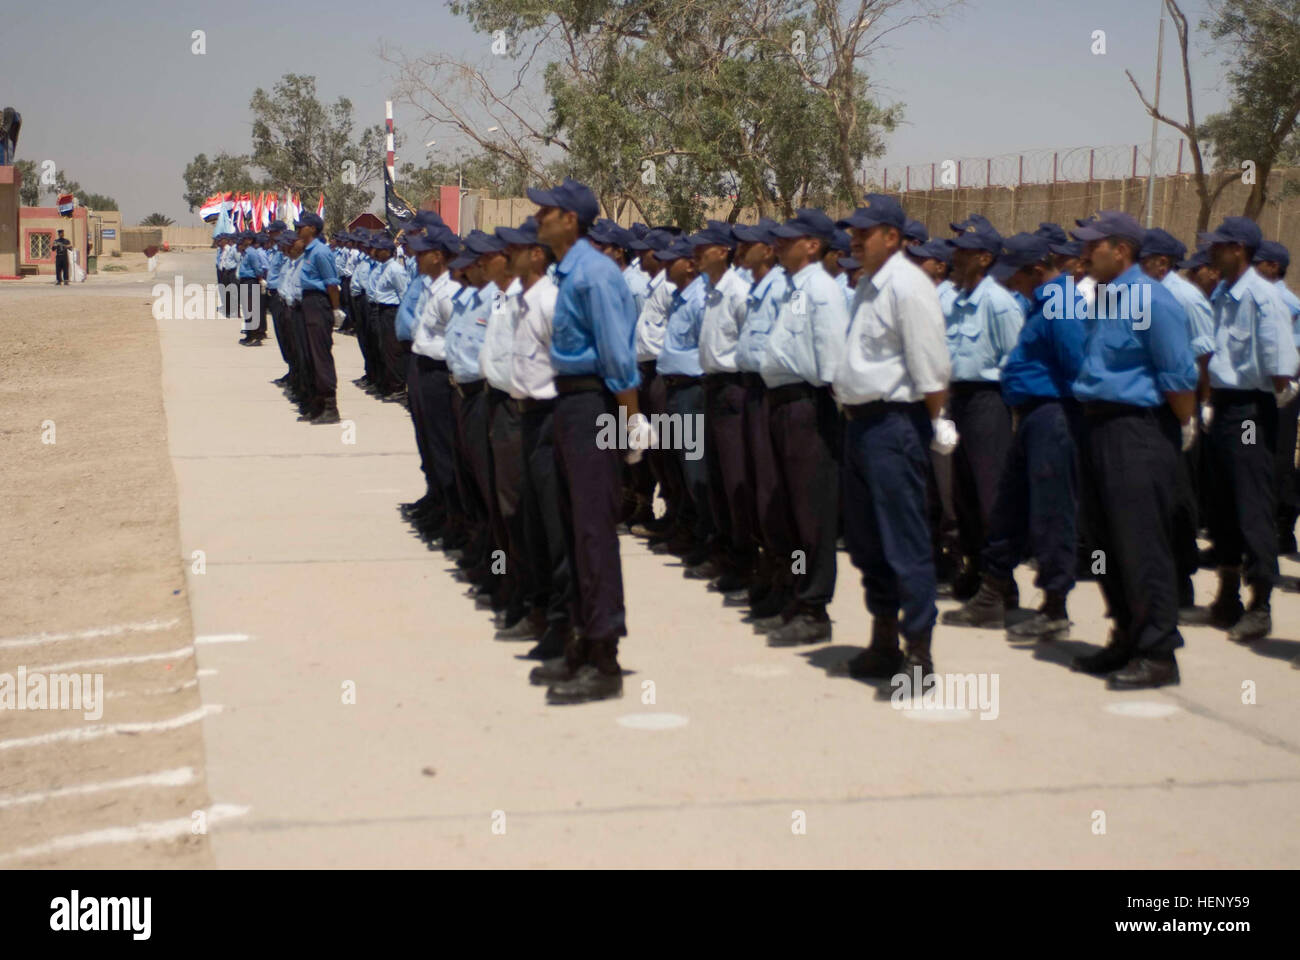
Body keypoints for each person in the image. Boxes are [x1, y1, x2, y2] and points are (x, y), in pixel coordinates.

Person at [525, 177, 642, 704]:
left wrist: (630, 421)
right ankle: (580, 640)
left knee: (594, 532)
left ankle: (605, 656)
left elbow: (618, 355)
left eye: (545, 212)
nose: (537, 218)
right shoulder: (569, 271)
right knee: (573, 529)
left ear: (569, 219)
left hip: (594, 403)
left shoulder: (595, 275)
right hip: (569, 403)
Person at [1069, 211, 1198, 689]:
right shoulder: (1110, 297)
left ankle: (1158, 652)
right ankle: (1125, 636)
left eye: (1092, 246)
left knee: (1141, 545)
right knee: (1105, 544)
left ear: (1121, 250)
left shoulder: (1150, 299)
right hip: (1100, 427)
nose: (1084, 255)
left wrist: (1184, 424)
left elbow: (1178, 374)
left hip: (1137, 432)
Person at [833, 194, 953, 680]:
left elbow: (930, 361)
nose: (855, 239)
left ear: (892, 237)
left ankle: (918, 652)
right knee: (866, 541)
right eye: (853, 232)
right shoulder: (866, 285)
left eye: (865, 232)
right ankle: (883, 639)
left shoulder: (908, 286)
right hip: (860, 426)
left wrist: (937, 418)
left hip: (894, 425)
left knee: (904, 540)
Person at [943, 233, 1085, 640]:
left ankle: (1055, 604)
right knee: (1007, 507)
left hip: (1053, 414)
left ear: (1036, 271)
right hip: (1032, 414)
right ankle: (994, 591)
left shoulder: (1059, 301)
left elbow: (1076, 365)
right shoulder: (1045, 301)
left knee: (1051, 511)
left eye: (1016, 276)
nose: (1011, 283)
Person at [1203, 218, 1300, 644]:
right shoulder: (1224, 294)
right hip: (1222, 406)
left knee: (1251, 501)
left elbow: (1282, 373)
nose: (1210, 255)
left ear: (1239, 248)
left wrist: (1261, 418)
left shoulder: (1264, 298)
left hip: (1249, 412)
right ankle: (1227, 594)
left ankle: (1259, 603)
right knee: (1221, 501)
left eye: (1217, 247)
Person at [758, 208, 849, 647]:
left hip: (807, 408)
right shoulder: (794, 288)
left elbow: (832, 361)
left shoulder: (823, 291)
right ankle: (798, 595)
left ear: (812, 245)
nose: (777, 244)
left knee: (812, 514)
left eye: (788, 238)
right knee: (788, 514)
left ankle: (815, 608)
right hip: (781, 405)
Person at [943, 220, 1025, 603]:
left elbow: (1014, 360)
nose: (953, 256)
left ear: (984, 258)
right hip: (959, 400)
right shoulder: (960, 301)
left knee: (990, 495)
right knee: (964, 495)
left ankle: (1000, 582)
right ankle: (975, 568)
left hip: (989, 403)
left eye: (963, 250)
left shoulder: (998, 302)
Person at [1139, 228, 1216, 619]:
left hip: (1180, 407)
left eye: (1142, 259)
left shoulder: (1184, 298)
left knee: (1179, 497)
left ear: (1161, 263)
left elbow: (1204, 356)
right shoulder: (1143, 293)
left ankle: (1181, 582)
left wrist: (1202, 406)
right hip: (1152, 407)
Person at [695, 221, 754, 594]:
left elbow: (748, 346)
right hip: (711, 387)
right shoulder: (713, 291)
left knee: (736, 480)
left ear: (722, 251)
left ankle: (746, 560)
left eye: (703, 248)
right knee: (714, 475)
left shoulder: (738, 291)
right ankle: (726, 553)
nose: (695, 254)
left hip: (733, 388)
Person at [1251, 241, 1300, 554]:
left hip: (1282, 389)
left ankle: (1283, 526)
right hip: (1265, 388)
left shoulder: (1285, 302)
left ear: (1272, 266)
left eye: (1258, 263)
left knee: (1278, 458)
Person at [294, 212, 344, 424]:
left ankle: (330, 407)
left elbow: (332, 284)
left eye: (301, 227)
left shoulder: (320, 252)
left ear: (312, 229)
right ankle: (316, 405)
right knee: (309, 356)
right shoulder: (307, 252)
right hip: (307, 303)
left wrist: (335, 310)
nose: (298, 230)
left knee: (320, 356)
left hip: (319, 303)